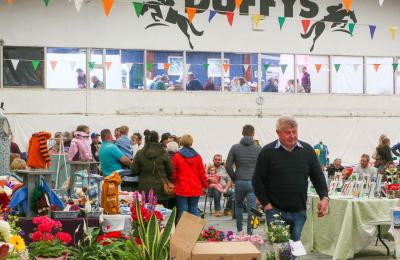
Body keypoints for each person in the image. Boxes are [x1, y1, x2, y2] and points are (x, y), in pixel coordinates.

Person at [253, 116, 329, 242]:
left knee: (295, 248)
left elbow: (317, 176)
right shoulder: (267, 152)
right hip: (275, 210)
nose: (292, 136)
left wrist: (324, 197)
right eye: (288, 132)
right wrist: (266, 205)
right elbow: (257, 180)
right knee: (280, 248)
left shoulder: (307, 150)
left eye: (294, 131)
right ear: (278, 133)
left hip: (299, 211)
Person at [226, 125, 261, 234]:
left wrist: (234, 178)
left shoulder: (234, 147)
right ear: (253, 133)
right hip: (252, 181)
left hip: (240, 180)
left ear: (242, 133)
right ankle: (250, 232)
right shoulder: (258, 148)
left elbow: (228, 165)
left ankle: (240, 231)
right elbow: (263, 166)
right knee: (252, 208)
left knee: (239, 206)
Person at [131, 131, 173, 208]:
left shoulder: (140, 153)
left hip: (145, 189)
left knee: (146, 216)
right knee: (162, 215)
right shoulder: (164, 153)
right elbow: (170, 170)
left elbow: (134, 171)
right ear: (157, 139)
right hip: (162, 189)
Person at [172, 134, 208, 222]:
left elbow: (173, 173)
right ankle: (193, 233)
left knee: (182, 210)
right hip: (195, 188)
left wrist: (173, 181)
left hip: (181, 188)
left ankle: (181, 233)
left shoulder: (177, 156)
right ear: (191, 143)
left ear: (181, 142)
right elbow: (202, 173)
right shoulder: (198, 156)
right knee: (193, 210)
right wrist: (205, 185)